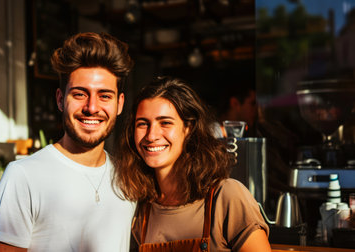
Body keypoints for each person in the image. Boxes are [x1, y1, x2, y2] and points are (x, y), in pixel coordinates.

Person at [0, 32, 136, 251]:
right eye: (79, 94)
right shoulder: (22, 176)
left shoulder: (129, 178)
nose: (92, 107)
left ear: (119, 104)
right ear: (59, 99)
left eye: (104, 96)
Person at [114, 76, 271, 251]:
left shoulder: (226, 197)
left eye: (165, 123)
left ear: (189, 128)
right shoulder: (142, 211)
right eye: (142, 123)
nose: (151, 135)